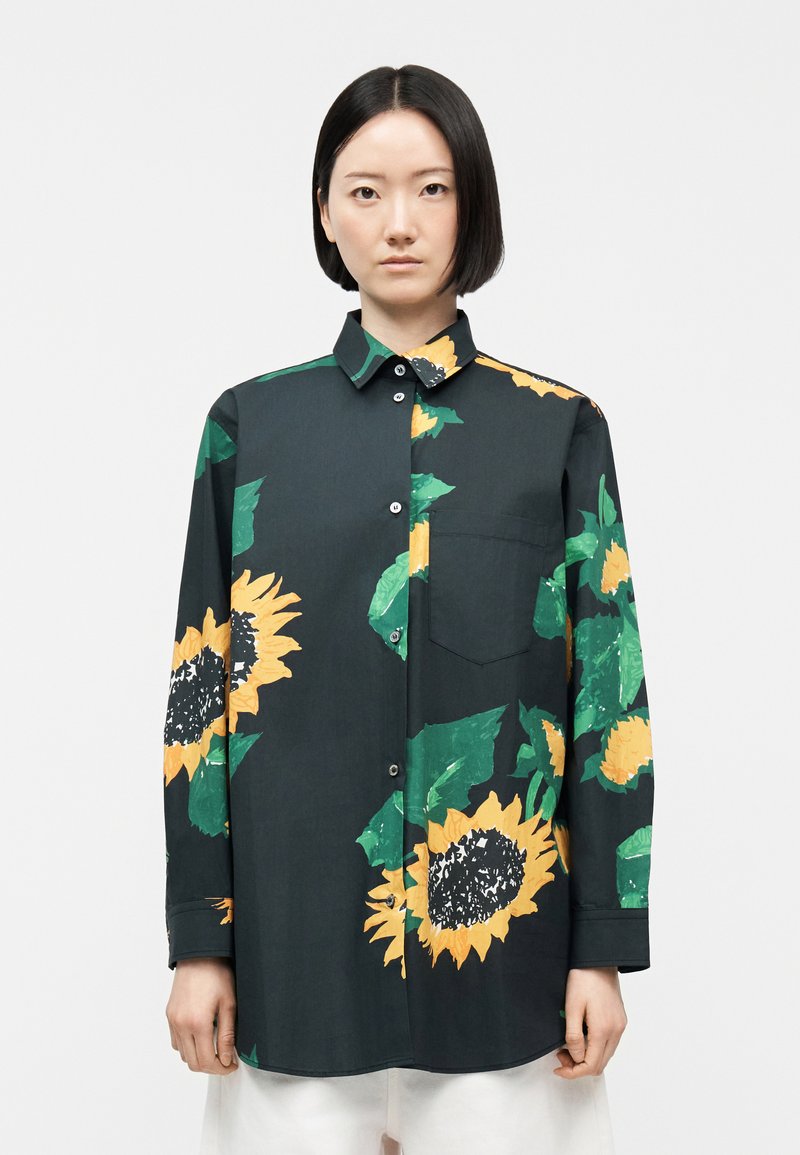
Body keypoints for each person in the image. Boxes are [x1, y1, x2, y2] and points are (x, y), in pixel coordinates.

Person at [162, 63, 654, 1155]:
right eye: (366, 190)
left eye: (432, 189)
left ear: (473, 206)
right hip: (293, 971)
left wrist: (602, 948)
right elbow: (200, 700)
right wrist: (200, 940)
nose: (399, 223)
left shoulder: (557, 427)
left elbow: (607, 698)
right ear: (324, 212)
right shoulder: (249, 428)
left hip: (508, 985)